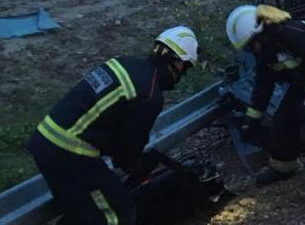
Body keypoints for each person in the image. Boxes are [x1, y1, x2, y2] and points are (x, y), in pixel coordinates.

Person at [26, 27, 199, 225]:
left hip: (45, 140)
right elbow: (126, 156)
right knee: (118, 212)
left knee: (83, 211)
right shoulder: (149, 95)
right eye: (185, 68)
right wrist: (139, 167)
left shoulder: (124, 63)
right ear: (176, 61)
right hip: (70, 152)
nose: (181, 76)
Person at [225, 4, 305, 192]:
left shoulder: (295, 34)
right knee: (282, 119)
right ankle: (283, 167)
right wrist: (251, 119)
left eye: (250, 46)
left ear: (260, 33)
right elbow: (264, 84)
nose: (251, 51)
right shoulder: (267, 49)